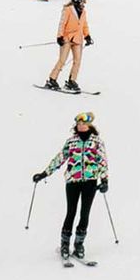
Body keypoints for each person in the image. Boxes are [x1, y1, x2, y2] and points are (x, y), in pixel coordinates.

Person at [32, 112, 110, 261]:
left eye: (83, 123)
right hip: (72, 182)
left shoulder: (96, 142)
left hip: (90, 181)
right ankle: (65, 244)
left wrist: (105, 180)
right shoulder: (71, 142)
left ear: (89, 125)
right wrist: (44, 173)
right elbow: (60, 158)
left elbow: (102, 161)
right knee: (71, 212)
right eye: (78, 124)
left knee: (85, 213)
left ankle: (79, 244)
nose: (81, 126)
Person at [44, 0, 92, 91]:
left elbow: (84, 25)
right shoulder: (68, 10)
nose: (84, 3)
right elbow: (62, 23)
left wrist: (87, 36)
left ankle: (72, 81)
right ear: (77, 1)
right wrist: (59, 36)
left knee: (77, 61)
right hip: (67, 39)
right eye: (83, 1)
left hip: (78, 39)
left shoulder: (83, 12)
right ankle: (52, 79)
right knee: (62, 60)